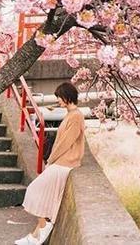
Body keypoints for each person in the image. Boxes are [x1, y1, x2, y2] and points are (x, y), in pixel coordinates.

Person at [14, 82, 86, 245]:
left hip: (65, 163)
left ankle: (43, 225)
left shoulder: (76, 116)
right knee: (46, 195)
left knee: (34, 189)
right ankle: (35, 235)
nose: (58, 101)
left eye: (59, 97)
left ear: (67, 97)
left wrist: (51, 160)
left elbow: (65, 143)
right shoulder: (71, 114)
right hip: (62, 162)